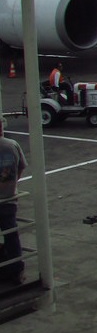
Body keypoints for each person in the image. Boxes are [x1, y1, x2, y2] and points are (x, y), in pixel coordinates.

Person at [0, 117, 28, 284]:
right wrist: (13, 183)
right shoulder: (12, 145)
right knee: (11, 236)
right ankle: (16, 270)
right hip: (9, 199)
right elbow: (22, 166)